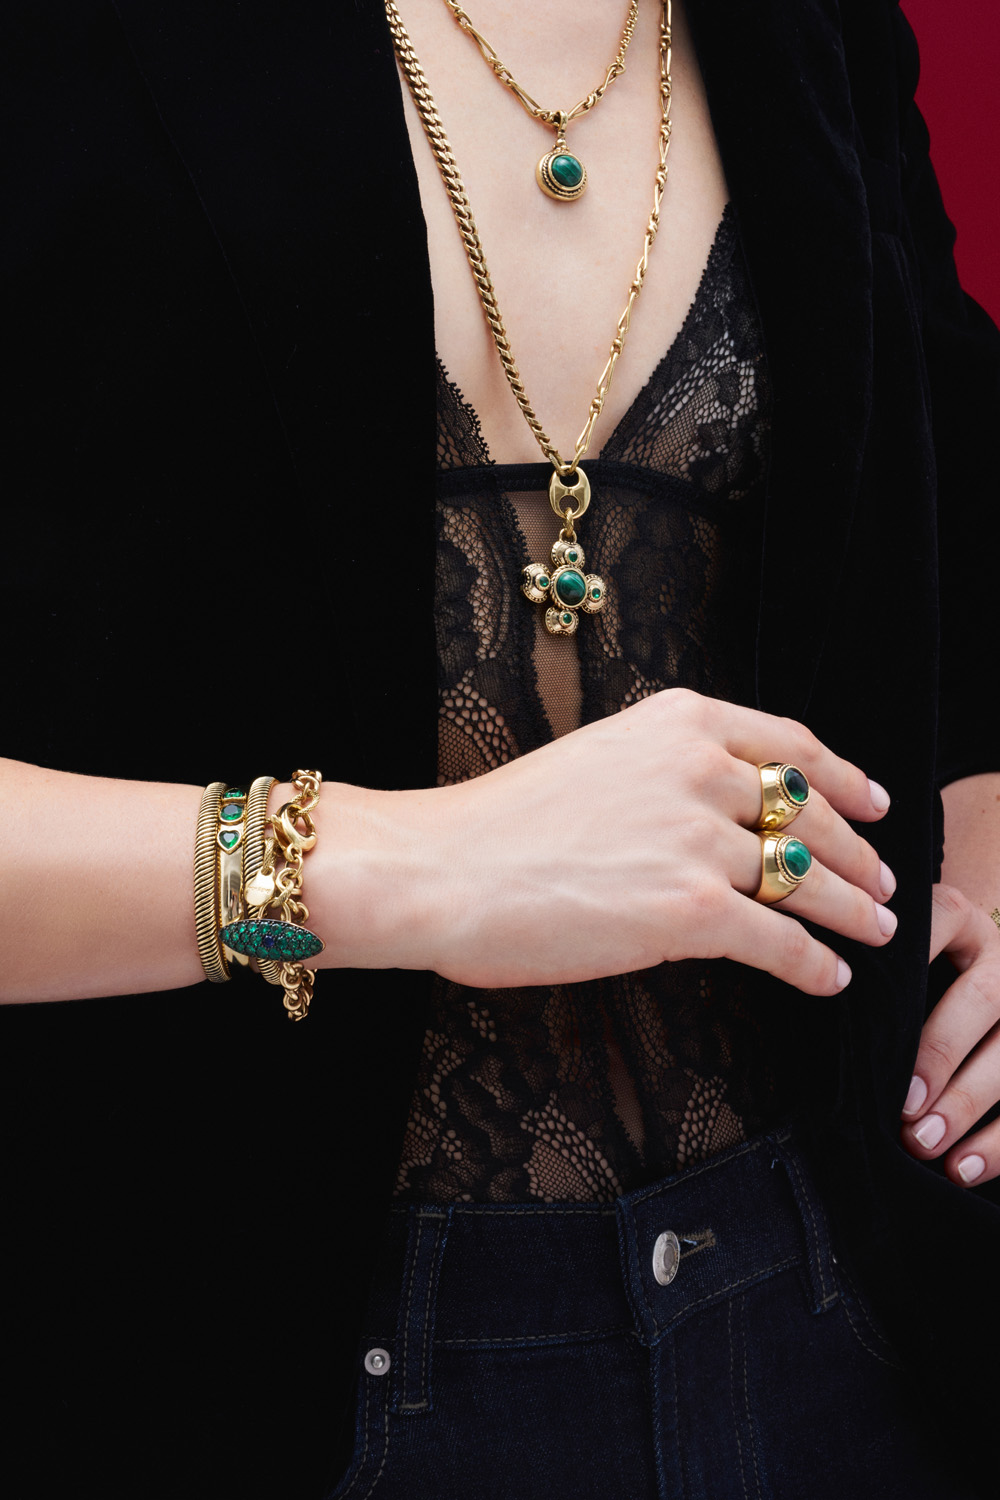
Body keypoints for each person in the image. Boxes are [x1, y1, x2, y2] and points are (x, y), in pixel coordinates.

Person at [2, 1, 999, 1496]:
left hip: (845, 1326)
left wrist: (989, 857)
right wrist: (402, 867)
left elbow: (950, 509)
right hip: (221, 1363)